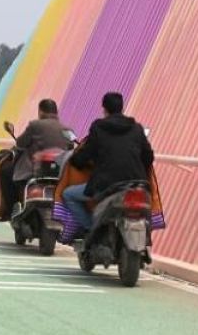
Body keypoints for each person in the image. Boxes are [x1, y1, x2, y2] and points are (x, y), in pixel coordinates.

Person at [62, 91, 153, 235]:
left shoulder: (99, 127)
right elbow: (148, 156)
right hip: (136, 183)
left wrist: (76, 161)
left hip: (106, 185)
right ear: (122, 109)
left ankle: (92, 230)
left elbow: (86, 154)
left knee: (68, 194)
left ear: (104, 109)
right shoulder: (136, 128)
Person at [0, 99, 74, 222]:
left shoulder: (34, 125)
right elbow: (71, 146)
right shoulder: (67, 130)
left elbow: (21, 143)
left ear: (40, 111)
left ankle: (9, 210)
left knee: (6, 171)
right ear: (56, 112)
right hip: (60, 173)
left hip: (34, 170)